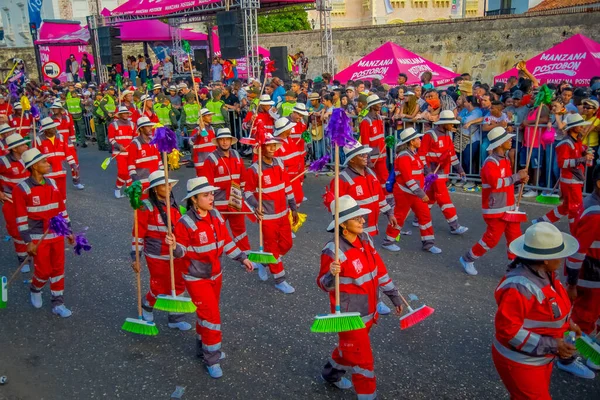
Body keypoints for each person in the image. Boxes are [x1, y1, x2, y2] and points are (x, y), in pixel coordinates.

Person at [492, 222, 595, 399]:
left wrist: (568, 325)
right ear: (546, 259)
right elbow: (507, 330)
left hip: (537, 358)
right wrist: (555, 344)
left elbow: (546, 312)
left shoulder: (545, 273)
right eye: (559, 256)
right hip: (521, 362)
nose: (562, 260)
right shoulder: (519, 286)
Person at [317, 195, 403, 399]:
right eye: (357, 218)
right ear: (343, 225)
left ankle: (330, 375)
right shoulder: (333, 250)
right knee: (363, 361)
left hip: (369, 311)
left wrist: (394, 295)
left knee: (350, 350)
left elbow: (379, 270)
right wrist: (331, 274)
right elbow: (322, 284)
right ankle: (367, 395)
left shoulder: (366, 239)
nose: (363, 221)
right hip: (348, 317)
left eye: (361, 217)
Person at [173, 176, 255, 378]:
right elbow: (180, 252)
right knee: (212, 318)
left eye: (211, 194)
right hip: (196, 278)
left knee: (206, 317)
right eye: (205, 195)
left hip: (215, 275)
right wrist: (173, 246)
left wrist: (242, 258)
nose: (211, 198)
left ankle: (203, 348)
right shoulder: (185, 223)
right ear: (194, 199)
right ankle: (212, 358)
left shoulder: (216, 214)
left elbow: (226, 241)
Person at [14, 148, 75, 317]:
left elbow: (61, 209)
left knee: (58, 268)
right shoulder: (21, 189)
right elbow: (20, 218)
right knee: (43, 270)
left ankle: (58, 302)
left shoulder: (52, 183)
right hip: (37, 237)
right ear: (34, 167)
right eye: (44, 162)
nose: (48, 164)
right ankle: (36, 287)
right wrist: (28, 242)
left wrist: (68, 230)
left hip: (56, 233)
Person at [459, 127, 529, 276]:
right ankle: (468, 258)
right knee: (491, 239)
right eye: (508, 139)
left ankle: (513, 265)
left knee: (515, 237)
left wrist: (520, 180)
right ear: (499, 143)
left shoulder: (505, 160)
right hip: (495, 208)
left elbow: (507, 182)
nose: (511, 140)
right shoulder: (490, 162)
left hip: (509, 206)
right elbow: (496, 184)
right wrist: (517, 177)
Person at [130, 170, 191, 331]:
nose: (169, 187)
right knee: (159, 286)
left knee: (178, 284)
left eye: (169, 184)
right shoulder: (145, 207)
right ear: (155, 189)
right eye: (165, 185)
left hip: (174, 252)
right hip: (156, 254)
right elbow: (137, 234)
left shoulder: (175, 205)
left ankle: (175, 318)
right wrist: (136, 257)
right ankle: (147, 305)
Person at [243, 134, 298, 294]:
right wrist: (255, 205)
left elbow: (287, 187)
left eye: (275, 145)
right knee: (272, 247)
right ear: (261, 147)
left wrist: (293, 206)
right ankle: (280, 280)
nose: (273, 149)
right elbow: (247, 192)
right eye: (269, 145)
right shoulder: (254, 169)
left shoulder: (280, 163)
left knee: (287, 244)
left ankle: (265, 261)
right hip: (267, 217)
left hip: (283, 214)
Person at [564, 165, 600, 372]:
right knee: (582, 321)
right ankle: (566, 358)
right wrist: (572, 283)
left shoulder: (593, 204)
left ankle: (593, 355)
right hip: (591, 276)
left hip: (593, 274)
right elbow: (578, 251)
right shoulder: (595, 213)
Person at [533, 114, 593, 233]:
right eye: (579, 125)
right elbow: (562, 163)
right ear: (572, 127)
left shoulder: (577, 140)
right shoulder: (565, 143)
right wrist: (582, 159)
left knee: (566, 207)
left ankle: (542, 221)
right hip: (570, 180)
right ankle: (576, 232)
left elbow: (577, 154)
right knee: (575, 208)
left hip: (574, 179)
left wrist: (585, 152)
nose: (581, 127)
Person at [387, 128, 442, 254]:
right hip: (404, 193)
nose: (420, 140)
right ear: (411, 142)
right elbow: (408, 179)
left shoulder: (413, 153)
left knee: (425, 216)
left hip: (414, 193)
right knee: (399, 217)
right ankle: (388, 241)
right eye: (417, 138)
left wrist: (429, 174)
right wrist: (422, 194)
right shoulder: (404, 157)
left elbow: (422, 167)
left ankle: (428, 243)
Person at [419, 110, 469, 235]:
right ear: (444, 123)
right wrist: (428, 172)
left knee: (430, 197)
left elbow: (451, 155)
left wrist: (460, 170)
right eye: (451, 123)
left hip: (442, 172)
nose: (453, 126)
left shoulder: (448, 135)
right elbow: (421, 155)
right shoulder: (430, 135)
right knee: (444, 199)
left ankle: (418, 217)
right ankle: (454, 225)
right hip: (433, 174)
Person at [204, 128, 250, 251]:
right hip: (219, 203)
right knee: (217, 232)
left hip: (235, 199)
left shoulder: (236, 154)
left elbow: (243, 176)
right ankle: (215, 258)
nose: (224, 142)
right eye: (222, 140)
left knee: (240, 230)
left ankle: (245, 255)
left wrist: (246, 194)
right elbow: (207, 185)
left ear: (231, 141)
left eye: (227, 139)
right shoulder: (211, 159)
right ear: (218, 142)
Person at [0, 133, 31, 270]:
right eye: (23, 145)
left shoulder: (28, 158)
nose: (26, 146)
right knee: (16, 230)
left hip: (29, 201)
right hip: (11, 201)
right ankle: (22, 257)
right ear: (15, 149)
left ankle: (33, 253)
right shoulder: (3, 161)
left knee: (31, 228)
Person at [34, 117, 75, 201]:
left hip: (61, 171)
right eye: (52, 128)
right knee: (51, 194)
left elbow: (67, 152)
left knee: (62, 194)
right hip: (48, 174)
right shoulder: (38, 140)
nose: (55, 129)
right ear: (46, 130)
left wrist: (73, 164)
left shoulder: (60, 137)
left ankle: (62, 211)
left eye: (54, 127)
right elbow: (36, 159)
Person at [50, 101, 84, 191]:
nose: (54, 110)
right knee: (57, 165)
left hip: (68, 143)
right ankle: (55, 184)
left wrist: (73, 142)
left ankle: (77, 181)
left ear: (60, 109)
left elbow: (72, 130)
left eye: (56, 108)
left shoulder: (68, 118)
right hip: (58, 144)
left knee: (75, 163)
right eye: (53, 108)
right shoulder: (50, 119)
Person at [127, 117, 162, 196]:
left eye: (150, 126)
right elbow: (130, 163)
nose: (150, 128)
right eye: (147, 126)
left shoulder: (154, 141)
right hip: (142, 182)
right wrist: (135, 179)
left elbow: (159, 160)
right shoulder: (134, 144)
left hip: (155, 180)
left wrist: (162, 174)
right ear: (141, 129)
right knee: (145, 206)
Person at [359, 95, 388, 188]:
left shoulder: (379, 118)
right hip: (373, 157)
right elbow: (365, 143)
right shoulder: (365, 122)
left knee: (383, 178)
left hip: (382, 155)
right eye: (378, 103)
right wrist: (367, 159)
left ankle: (384, 199)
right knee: (377, 179)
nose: (380, 105)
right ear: (372, 106)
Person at [108, 106, 136, 198]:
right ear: (119, 115)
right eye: (123, 113)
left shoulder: (133, 124)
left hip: (130, 152)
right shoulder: (113, 125)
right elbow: (111, 139)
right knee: (123, 172)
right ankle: (117, 187)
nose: (125, 115)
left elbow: (135, 137)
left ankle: (129, 189)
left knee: (130, 172)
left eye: (126, 113)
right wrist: (119, 146)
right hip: (118, 153)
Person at [190, 109, 217, 177]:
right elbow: (190, 141)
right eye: (208, 115)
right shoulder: (196, 129)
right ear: (202, 118)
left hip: (212, 161)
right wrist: (198, 133)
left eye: (210, 115)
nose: (210, 117)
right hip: (201, 163)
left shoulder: (212, 129)